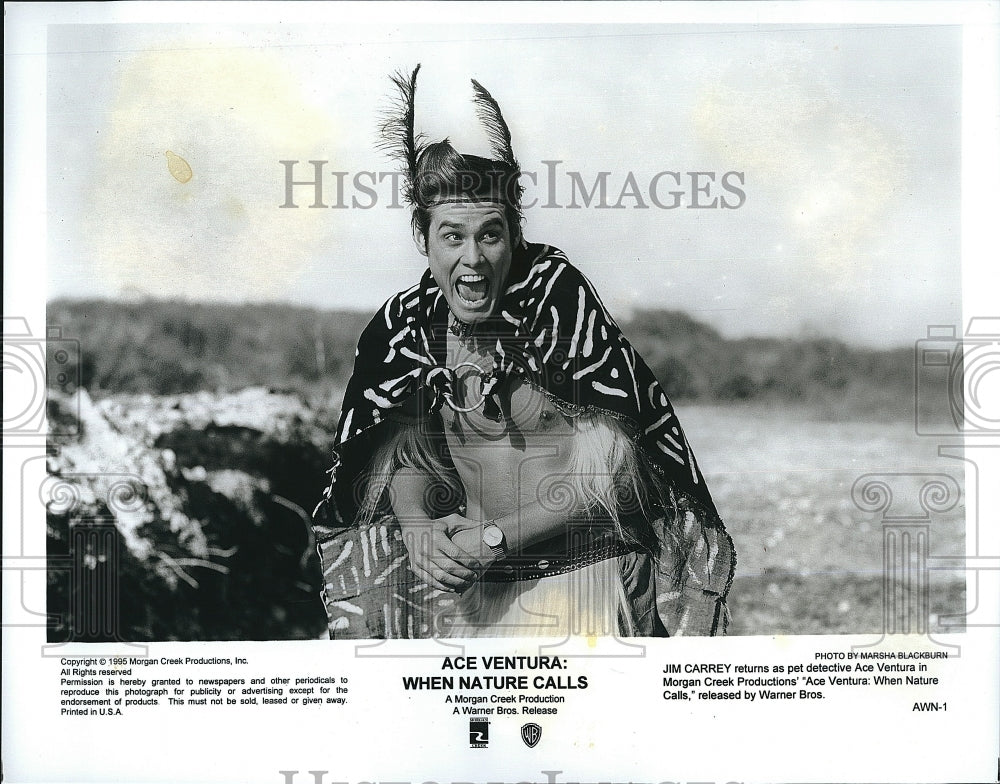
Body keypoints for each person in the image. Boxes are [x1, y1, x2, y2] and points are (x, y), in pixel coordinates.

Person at [312, 65, 735, 639]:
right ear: (425, 239)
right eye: (453, 236)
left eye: (490, 234)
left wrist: (496, 538)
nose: (474, 258)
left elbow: (615, 479)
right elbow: (407, 455)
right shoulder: (405, 329)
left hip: (587, 573)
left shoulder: (558, 305)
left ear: (514, 235)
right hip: (474, 590)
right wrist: (416, 526)